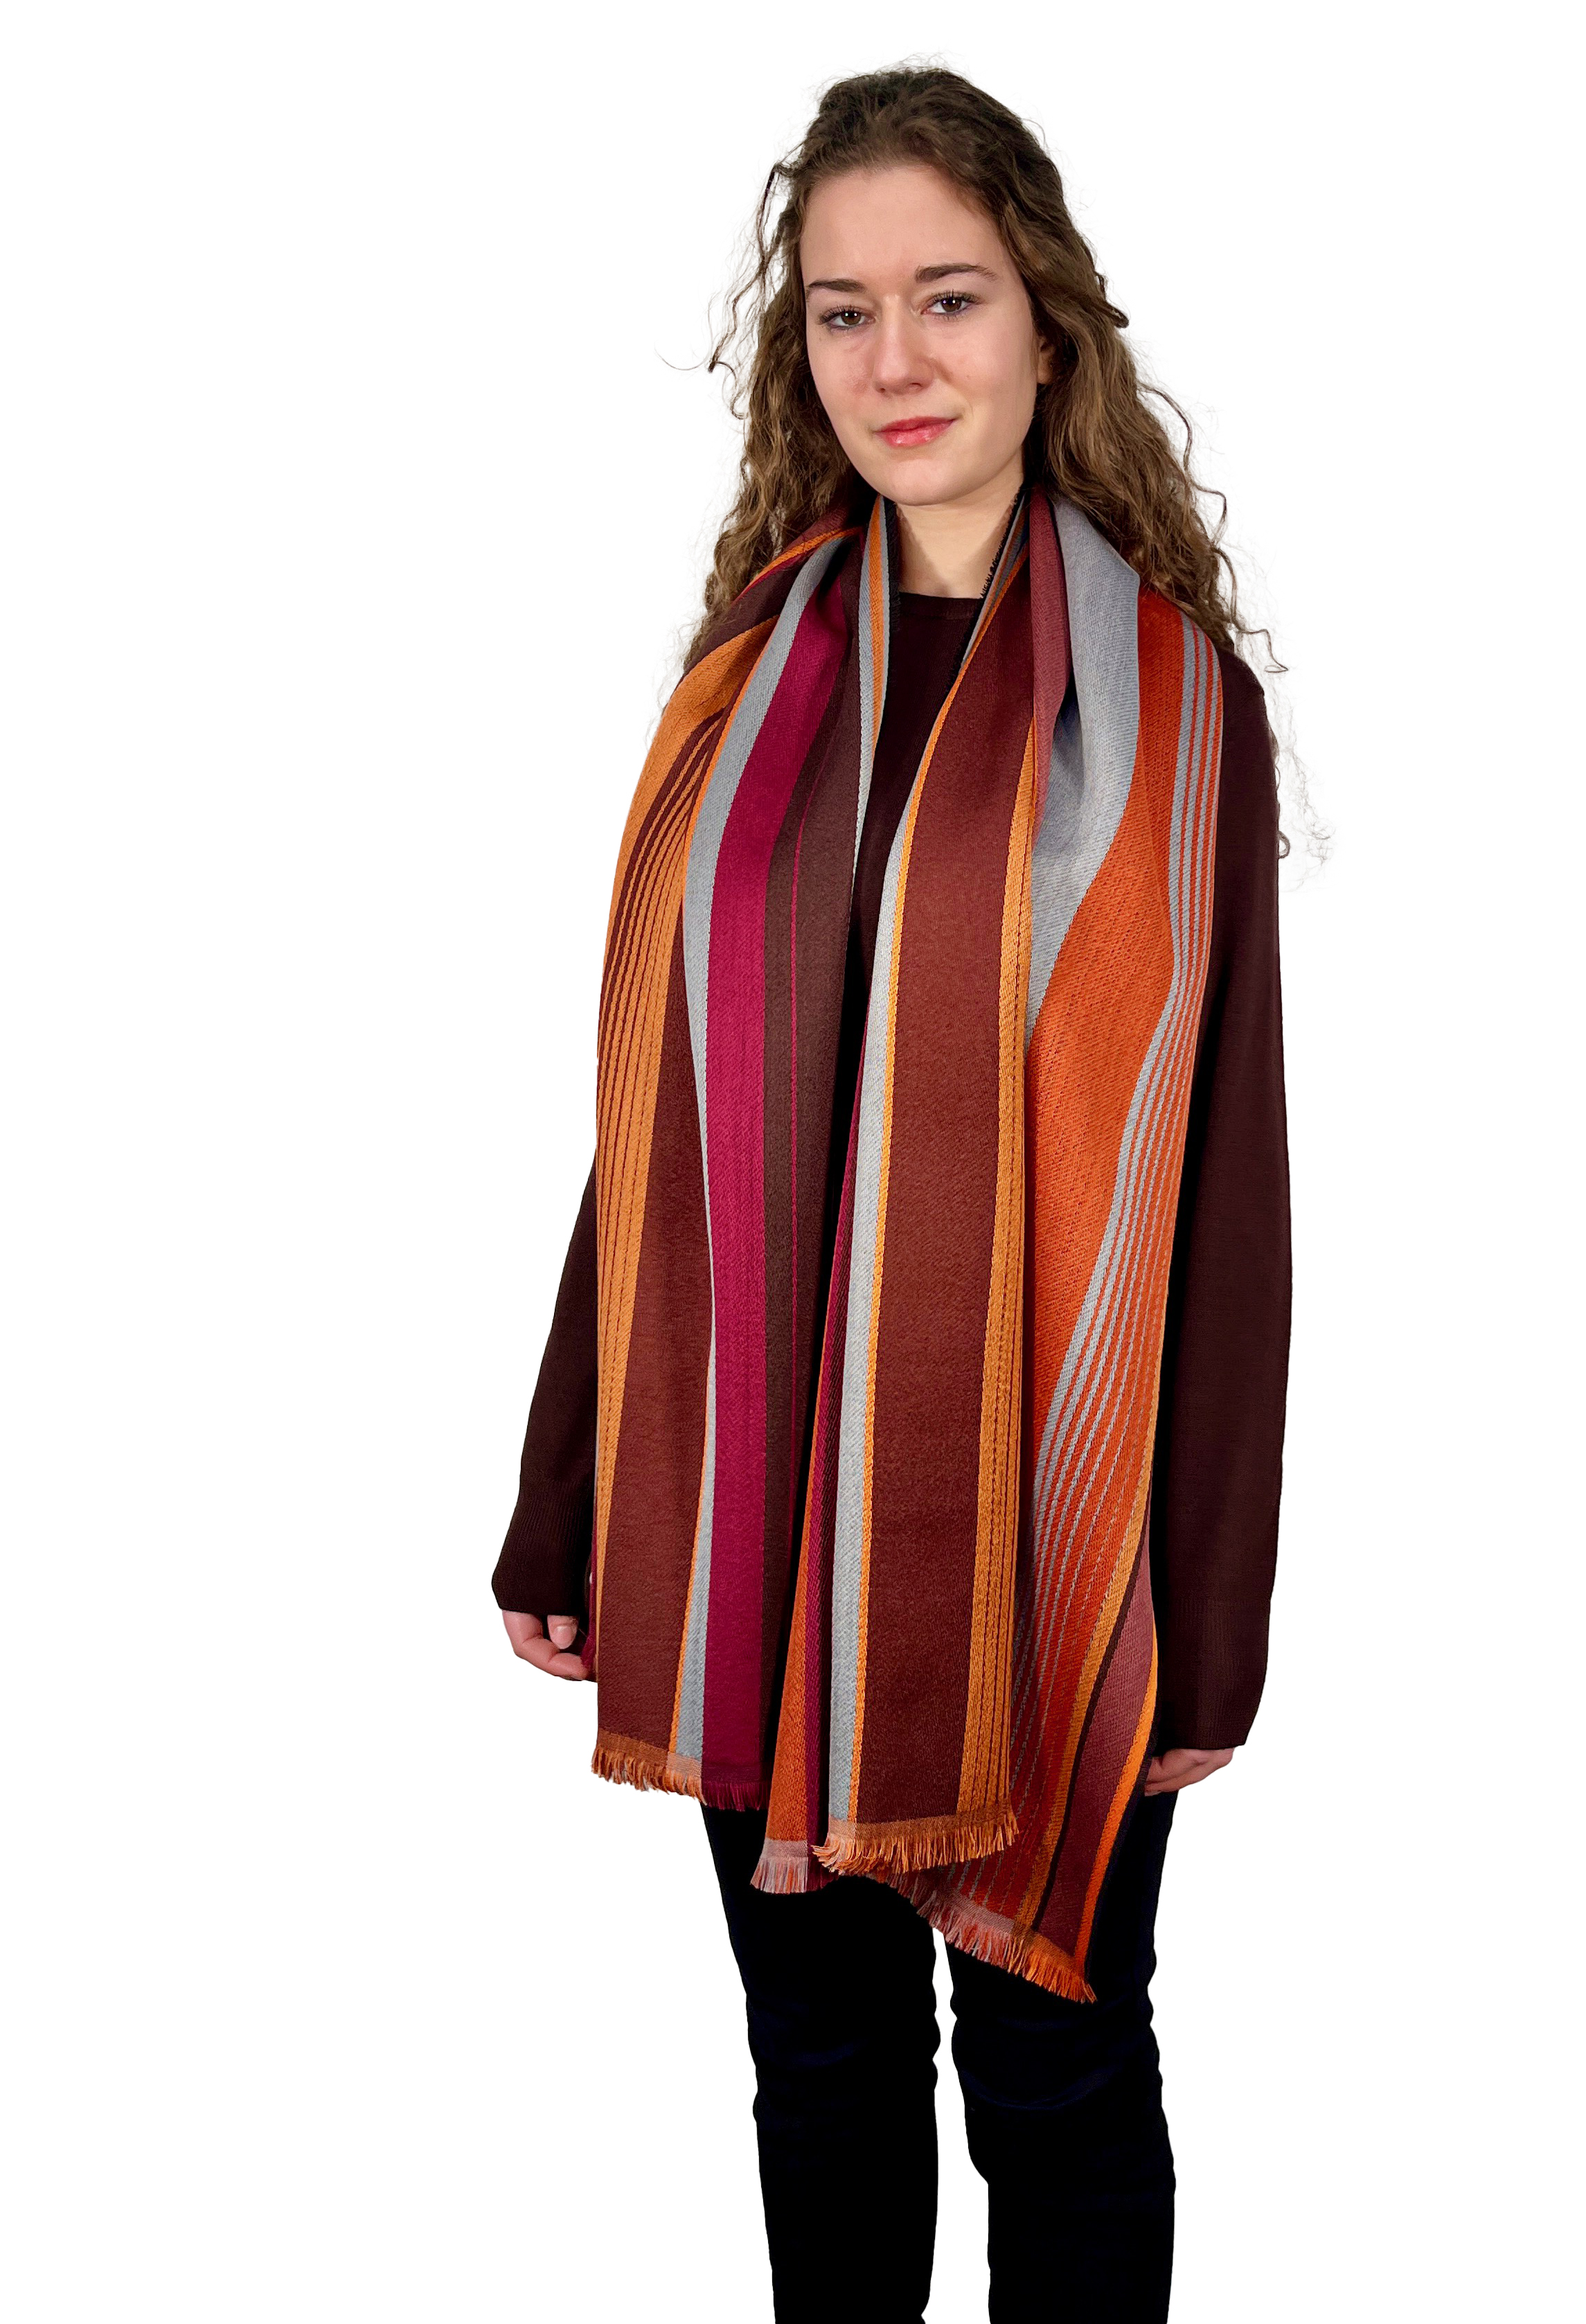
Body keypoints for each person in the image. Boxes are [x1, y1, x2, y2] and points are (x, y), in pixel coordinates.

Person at [491, 66, 1292, 2324]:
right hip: (751, 1502)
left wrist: (1209, 1602)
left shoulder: (1169, 709)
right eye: (842, 312)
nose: (895, 358)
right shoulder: (748, 681)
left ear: (1046, 325)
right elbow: (658, 1124)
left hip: (1044, 1526)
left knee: (1056, 2069)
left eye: (946, 297)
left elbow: (1226, 1176)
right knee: (818, 2061)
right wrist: (565, 1488)